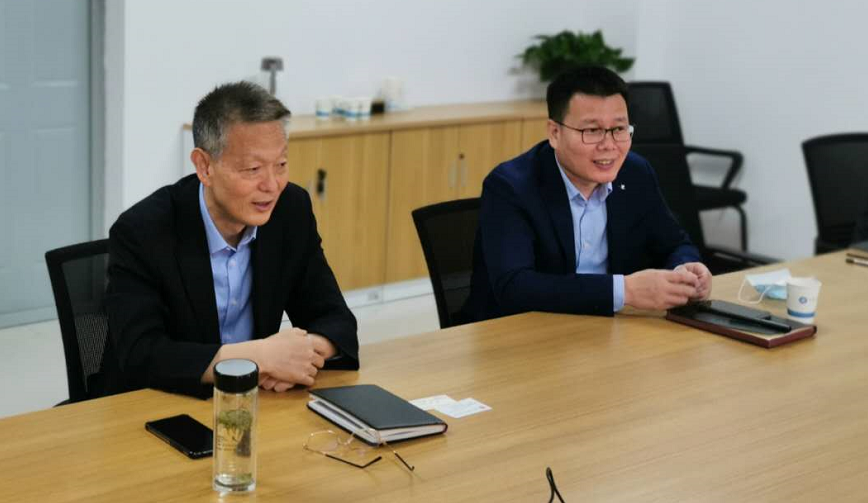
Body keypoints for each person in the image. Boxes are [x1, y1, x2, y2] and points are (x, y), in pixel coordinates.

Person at [100, 82, 358, 398]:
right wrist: (260, 358)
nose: (272, 185)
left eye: (281, 165)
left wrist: (300, 354)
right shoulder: (142, 231)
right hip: (159, 405)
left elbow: (336, 320)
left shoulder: (291, 210)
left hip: (254, 400)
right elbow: (142, 355)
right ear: (204, 167)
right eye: (253, 169)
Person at [464, 66, 712, 322]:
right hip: (522, 331)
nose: (609, 145)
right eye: (592, 131)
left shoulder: (635, 173)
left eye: (619, 129)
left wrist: (685, 270)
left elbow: (675, 244)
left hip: (608, 328)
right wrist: (625, 291)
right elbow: (514, 286)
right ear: (555, 133)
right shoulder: (511, 186)